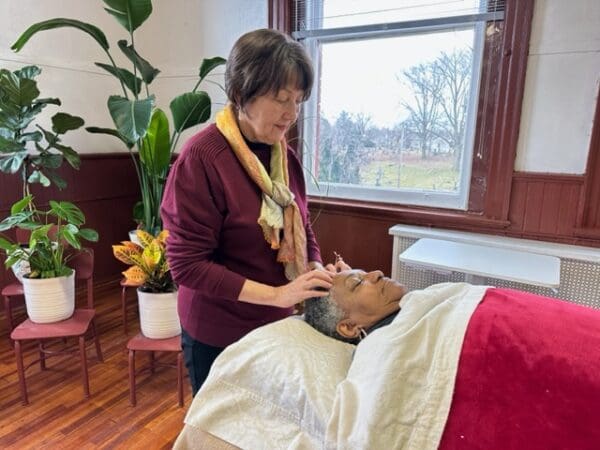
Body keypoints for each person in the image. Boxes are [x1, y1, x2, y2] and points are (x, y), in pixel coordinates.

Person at [161, 28, 334, 395]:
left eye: (299, 100)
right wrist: (278, 295)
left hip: (275, 324)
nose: (292, 113)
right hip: (218, 333)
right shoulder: (203, 158)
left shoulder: (282, 156)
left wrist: (314, 268)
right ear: (241, 94)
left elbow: (301, 223)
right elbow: (187, 265)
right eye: (281, 98)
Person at [304, 269, 407, 343]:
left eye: (365, 273)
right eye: (358, 282)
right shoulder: (382, 354)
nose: (378, 273)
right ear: (350, 327)